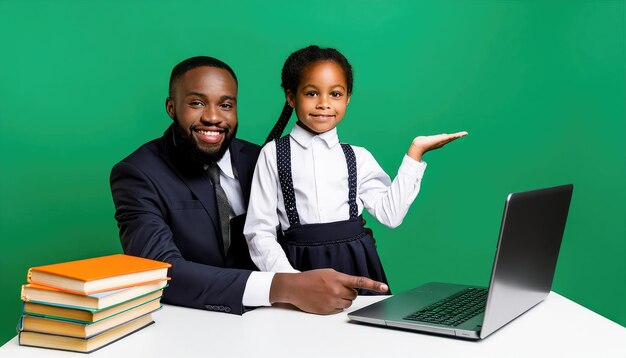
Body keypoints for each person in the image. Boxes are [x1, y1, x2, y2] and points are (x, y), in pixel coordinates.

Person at [110, 56, 387, 316]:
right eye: (196, 103)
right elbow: (162, 271)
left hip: (288, 317)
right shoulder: (137, 174)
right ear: (171, 107)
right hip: (191, 323)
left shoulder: (265, 159)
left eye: (226, 105)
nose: (213, 117)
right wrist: (284, 287)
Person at [244, 46, 467, 293]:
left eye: (336, 94)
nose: (324, 104)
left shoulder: (357, 157)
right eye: (311, 93)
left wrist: (415, 153)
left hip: (357, 264)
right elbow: (259, 232)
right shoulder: (273, 154)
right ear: (291, 96)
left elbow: (390, 215)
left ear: (348, 97)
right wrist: (291, 282)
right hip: (299, 267)